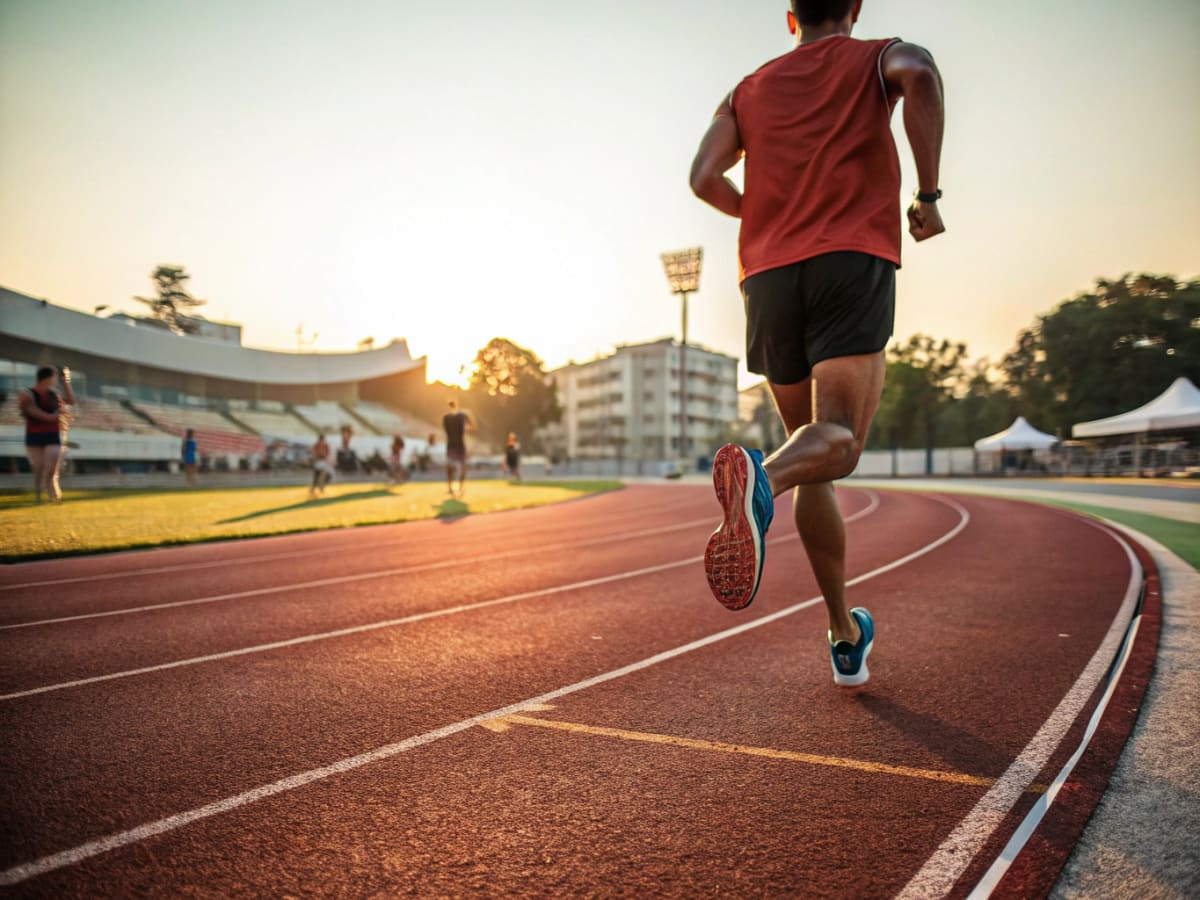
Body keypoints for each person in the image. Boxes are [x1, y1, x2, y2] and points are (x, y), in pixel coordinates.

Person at [689, 0, 945, 686]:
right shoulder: (873, 56)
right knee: (837, 440)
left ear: (789, 16)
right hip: (848, 257)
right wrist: (928, 194)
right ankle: (761, 483)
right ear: (855, 7)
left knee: (812, 451)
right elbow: (918, 71)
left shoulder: (746, 90)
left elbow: (703, 177)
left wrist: (767, 210)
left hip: (768, 275)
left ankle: (842, 632)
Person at [19, 365, 75, 504]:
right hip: (34, 435)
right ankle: (38, 494)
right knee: (39, 467)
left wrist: (66, 382)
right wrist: (58, 415)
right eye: (56, 376)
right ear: (48, 377)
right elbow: (37, 414)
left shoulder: (54, 394)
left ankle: (53, 496)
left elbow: (71, 401)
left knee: (51, 468)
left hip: (52, 434)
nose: (56, 379)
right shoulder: (27, 394)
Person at [442, 399, 474, 497]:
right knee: (462, 466)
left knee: (451, 467)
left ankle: (451, 487)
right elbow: (470, 427)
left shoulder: (446, 417)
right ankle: (459, 487)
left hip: (451, 445)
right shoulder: (461, 416)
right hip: (459, 445)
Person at [309, 432, 332, 498]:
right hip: (319, 461)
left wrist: (327, 459)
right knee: (317, 477)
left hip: (321, 461)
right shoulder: (317, 445)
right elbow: (314, 453)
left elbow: (327, 453)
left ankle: (319, 489)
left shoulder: (324, 445)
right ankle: (316, 489)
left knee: (321, 476)